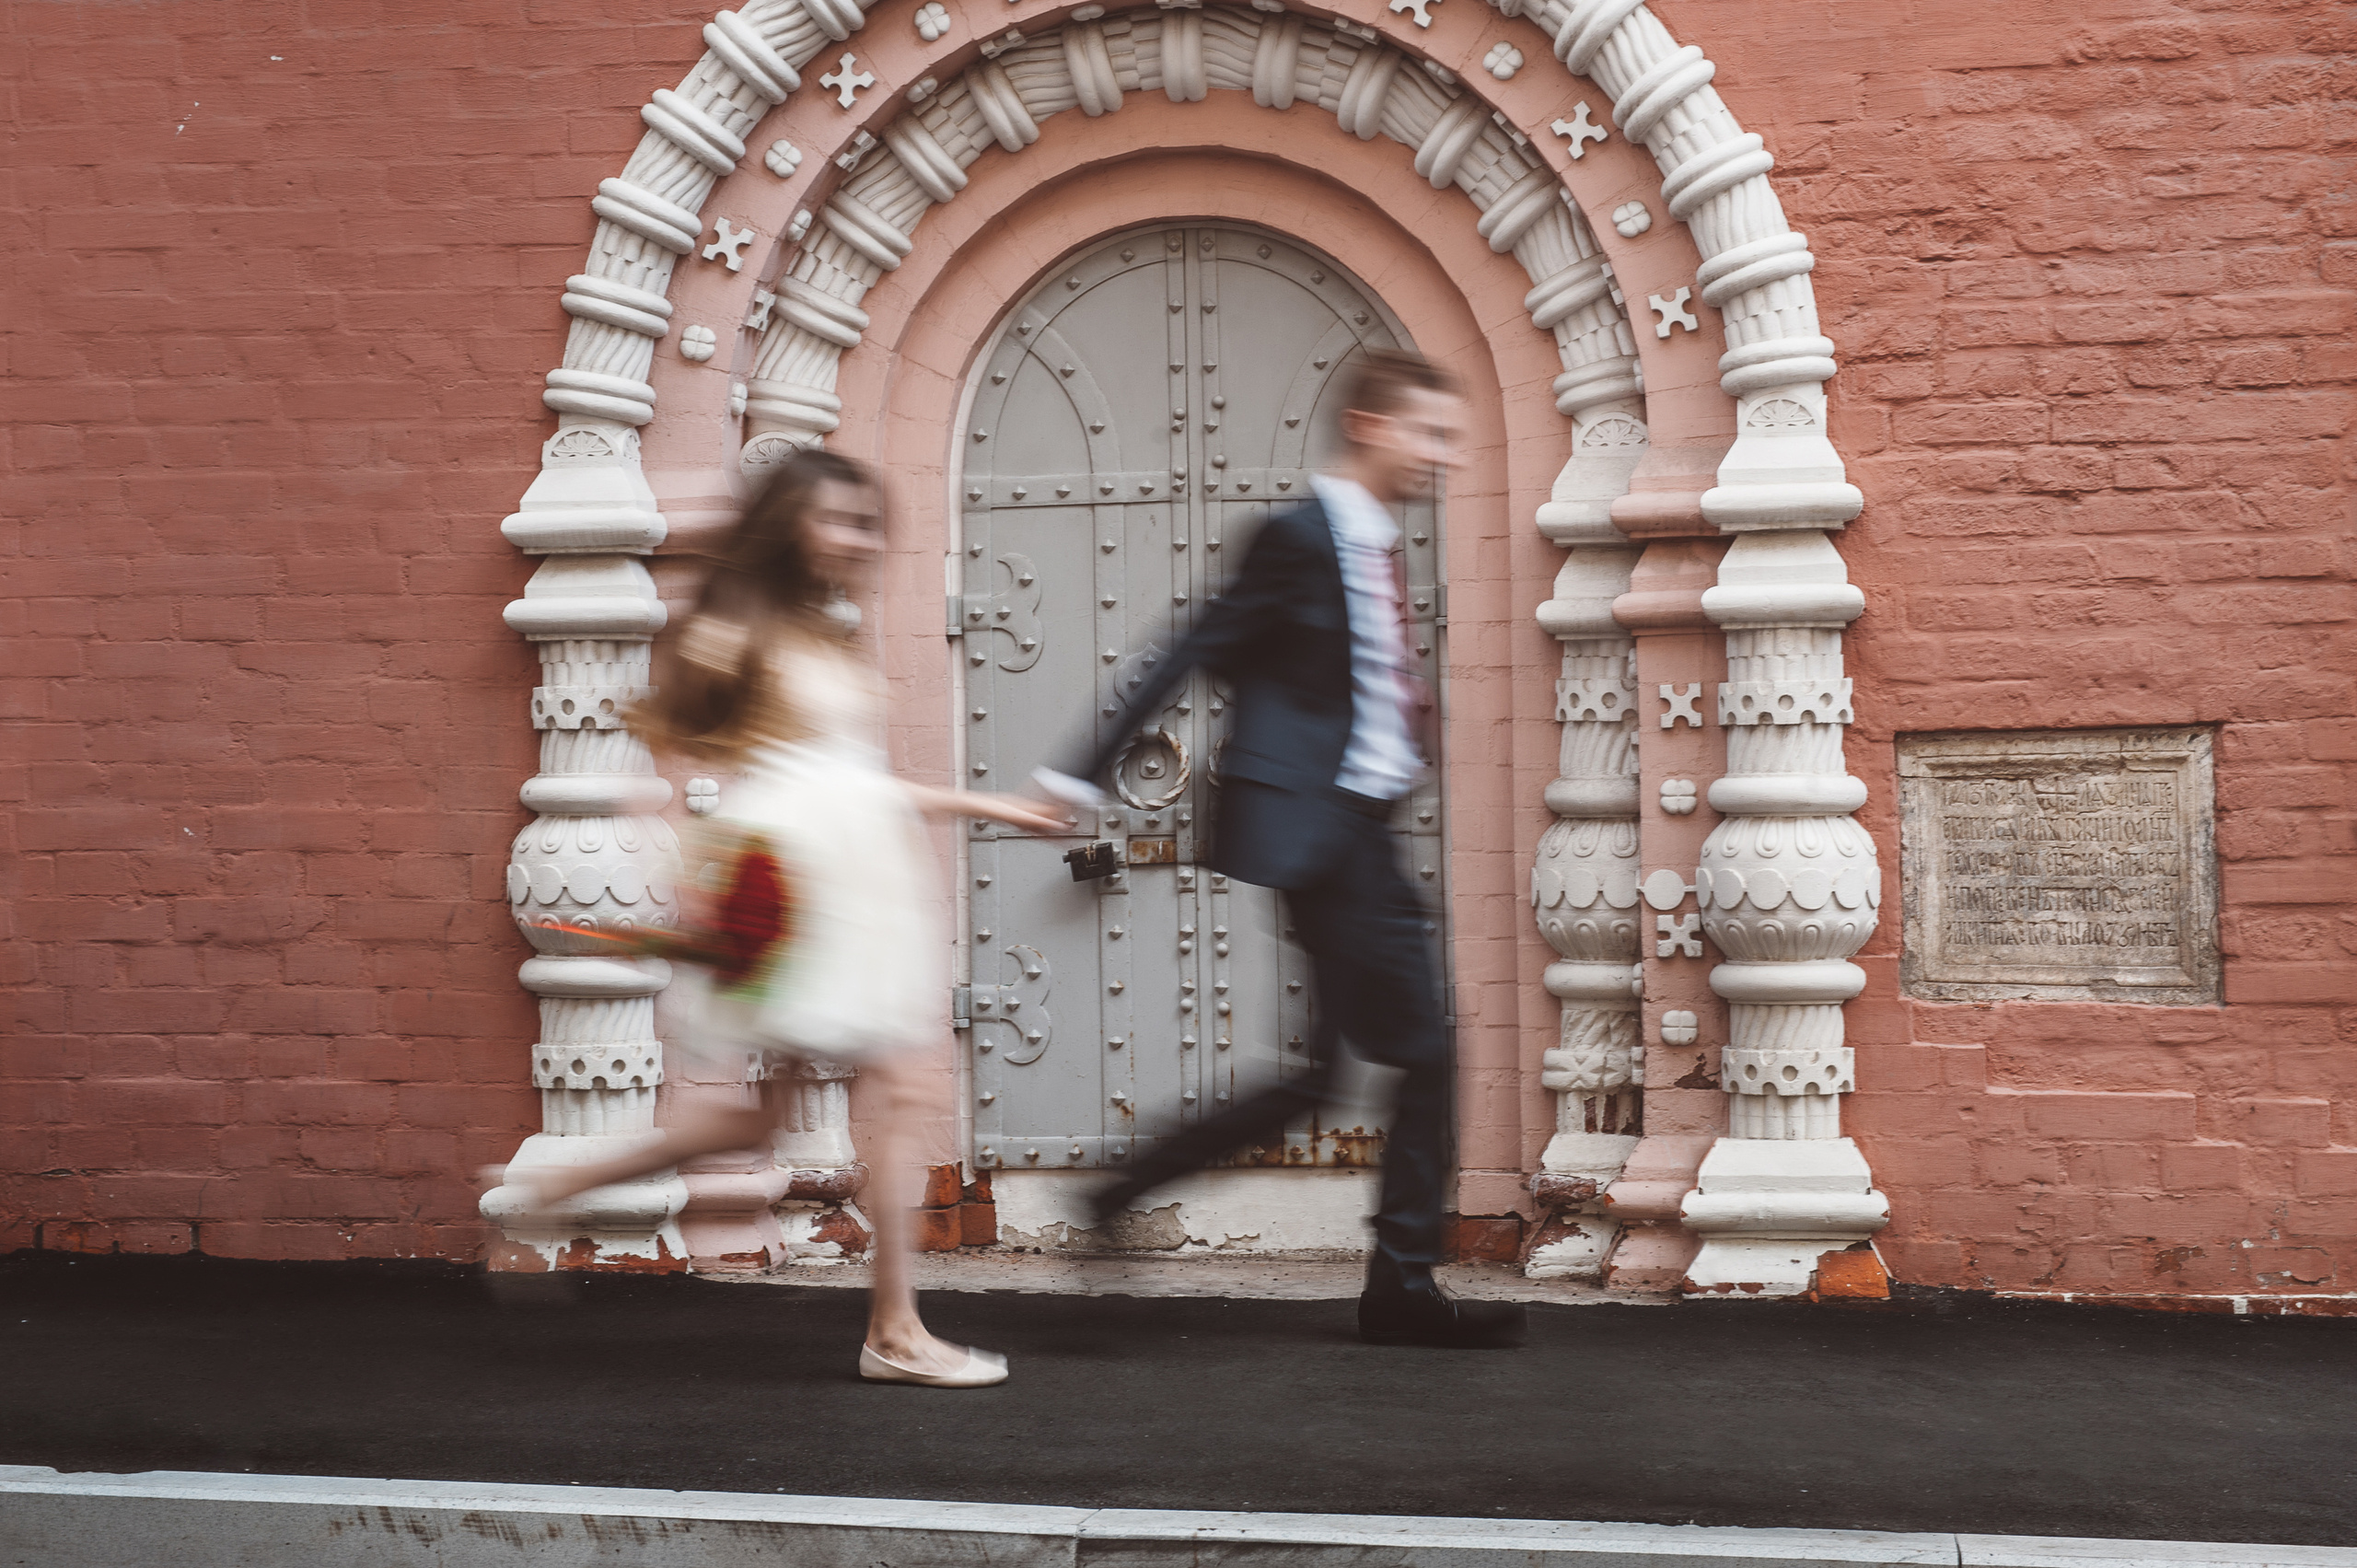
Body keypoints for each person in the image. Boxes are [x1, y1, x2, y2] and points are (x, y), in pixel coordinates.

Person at [494, 450, 1066, 1388]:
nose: (856, 538)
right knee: (907, 1084)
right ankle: (894, 1329)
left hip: (845, 873)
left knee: (762, 1110)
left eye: (866, 522)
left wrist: (991, 808)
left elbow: (852, 777)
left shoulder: (813, 630)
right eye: (837, 518)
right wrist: (707, 876)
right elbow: (692, 738)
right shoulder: (744, 626)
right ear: (788, 522)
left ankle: (552, 1187)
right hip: (807, 883)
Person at [1033, 350, 1525, 1350]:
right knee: (1425, 1049)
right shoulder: (1299, 539)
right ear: (1373, 427)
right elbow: (1193, 643)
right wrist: (1080, 772)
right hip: (1324, 825)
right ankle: (1400, 1286)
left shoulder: (1373, 544)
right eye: (1430, 432)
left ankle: (1124, 1186)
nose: (1443, 453)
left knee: (1318, 1075)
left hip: (1351, 826)